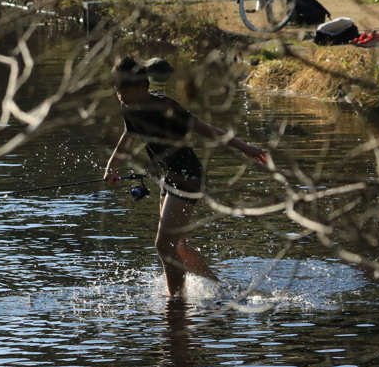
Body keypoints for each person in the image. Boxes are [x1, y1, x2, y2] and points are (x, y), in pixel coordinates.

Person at [104, 56, 267, 298]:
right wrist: (111, 166)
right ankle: (217, 285)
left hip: (187, 175)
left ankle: (176, 301)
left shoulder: (165, 106)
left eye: (124, 90)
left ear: (141, 87)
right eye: (117, 90)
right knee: (178, 244)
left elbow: (205, 129)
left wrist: (244, 147)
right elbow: (129, 135)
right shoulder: (129, 107)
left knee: (164, 244)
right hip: (167, 179)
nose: (120, 96)